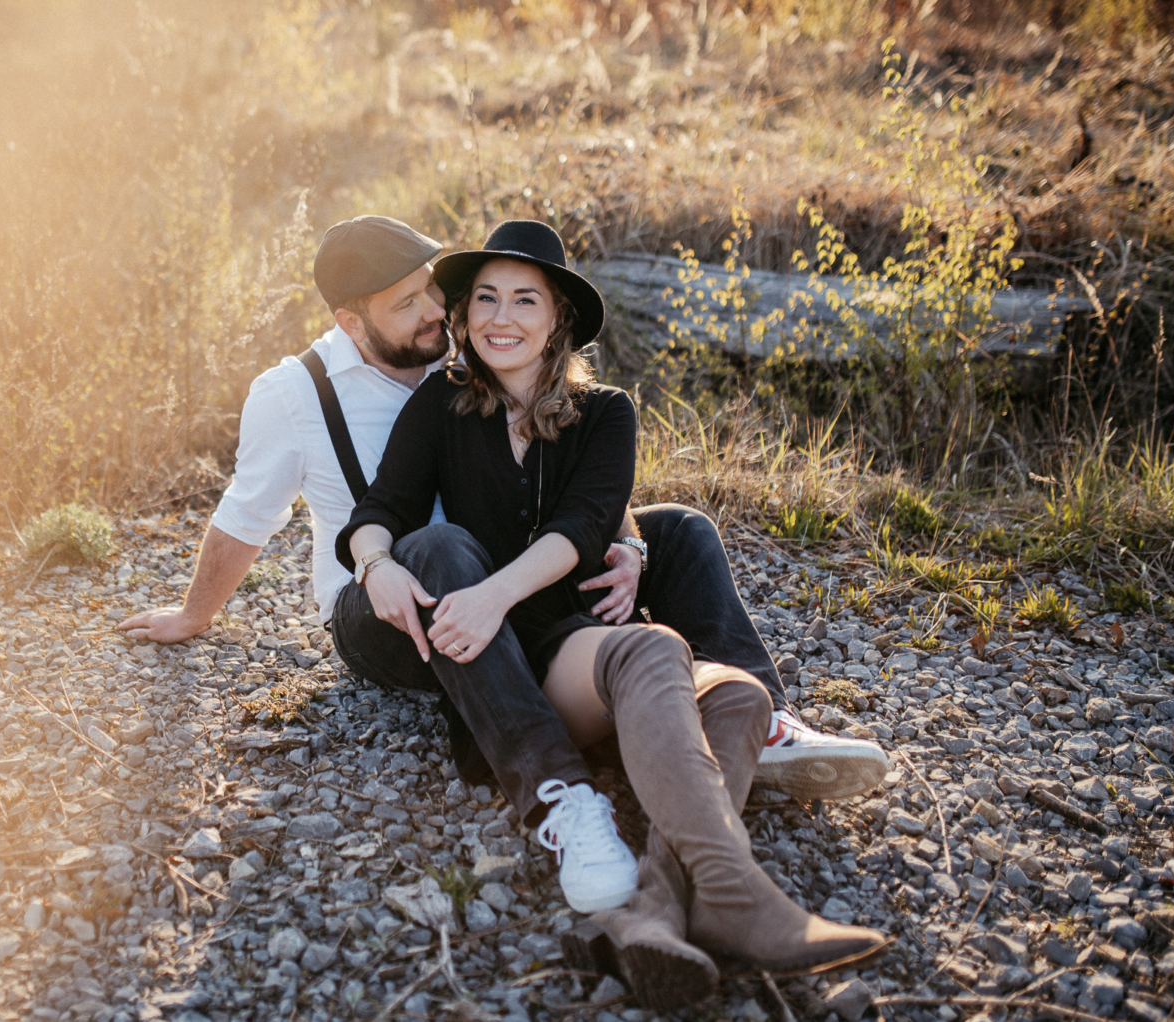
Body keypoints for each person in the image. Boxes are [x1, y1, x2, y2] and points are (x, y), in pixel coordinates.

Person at [117, 214, 888, 805]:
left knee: (679, 527)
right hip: (391, 604)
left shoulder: (464, 357)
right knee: (444, 543)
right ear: (353, 323)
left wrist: (629, 544)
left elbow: (576, 488)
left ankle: (775, 726)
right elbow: (248, 516)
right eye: (407, 302)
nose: (437, 309)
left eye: (433, 288)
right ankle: (550, 761)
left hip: (504, 574)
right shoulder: (294, 395)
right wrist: (194, 616)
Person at [336, 220, 887, 1010]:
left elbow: (584, 527)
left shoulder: (607, 414)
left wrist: (525, 582)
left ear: (559, 317)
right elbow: (379, 509)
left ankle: (654, 916)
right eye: (485, 297)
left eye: (525, 299)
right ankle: (724, 886)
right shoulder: (442, 405)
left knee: (735, 693)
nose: (501, 316)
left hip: (560, 641)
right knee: (650, 647)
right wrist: (377, 563)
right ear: (463, 317)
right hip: (491, 667)